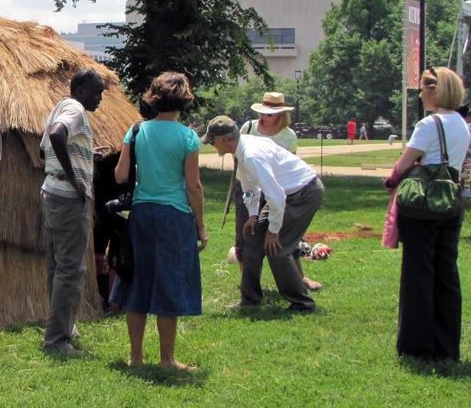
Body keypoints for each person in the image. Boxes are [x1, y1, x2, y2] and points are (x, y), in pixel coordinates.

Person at [110, 72, 206, 370]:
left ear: (154, 97)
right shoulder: (187, 136)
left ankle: (135, 357)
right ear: (184, 100)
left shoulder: (136, 131)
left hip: (142, 214)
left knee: (138, 281)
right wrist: (200, 226)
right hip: (175, 216)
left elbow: (120, 176)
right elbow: (193, 186)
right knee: (169, 282)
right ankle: (167, 359)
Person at [389, 66, 469, 362]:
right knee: (446, 273)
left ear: (435, 91)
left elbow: (404, 163)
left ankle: (417, 345)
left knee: (418, 274)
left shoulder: (428, 124)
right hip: (451, 200)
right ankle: (447, 346)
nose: (420, 94)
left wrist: (393, 179)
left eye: (423, 89)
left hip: (423, 202)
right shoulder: (462, 124)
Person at [206, 115, 325, 312]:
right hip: (284, 194)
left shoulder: (252, 155)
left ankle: (302, 303)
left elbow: (277, 196)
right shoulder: (242, 149)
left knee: (277, 248)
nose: (212, 145)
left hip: (304, 192)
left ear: (223, 140)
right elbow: (249, 185)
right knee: (252, 238)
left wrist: (273, 231)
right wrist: (253, 215)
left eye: (212, 141)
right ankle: (250, 298)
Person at [39, 68, 106, 355]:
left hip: (52, 194)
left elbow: (44, 152)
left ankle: (63, 327)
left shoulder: (60, 107)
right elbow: (56, 136)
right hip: (67, 198)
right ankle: (57, 341)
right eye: (96, 92)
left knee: (58, 266)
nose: (100, 98)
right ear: (80, 90)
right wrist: (74, 176)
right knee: (71, 269)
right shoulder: (76, 109)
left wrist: (85, 156)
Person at [234, 92, 321, 291]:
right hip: (252, 187)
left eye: (271, 113)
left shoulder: (288, 135)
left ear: (282, 113)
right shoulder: (248, 128)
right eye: (264, 112)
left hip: (278, 189)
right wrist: (253, 211)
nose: (266, 116)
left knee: (283, 236)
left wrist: (273, 229)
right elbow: (244, 172)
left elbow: (288, 171)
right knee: (246, 233)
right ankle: (247, 285)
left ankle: (299, 280)